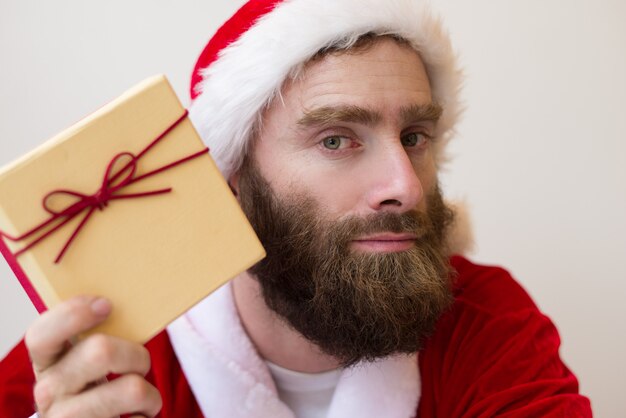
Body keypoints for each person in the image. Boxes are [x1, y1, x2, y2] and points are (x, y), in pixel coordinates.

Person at [0, 0, 592, 417]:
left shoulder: (484, 320)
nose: (405, 187)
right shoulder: (97, 360)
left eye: (415, 137)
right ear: (232, 177)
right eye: (335, 139)